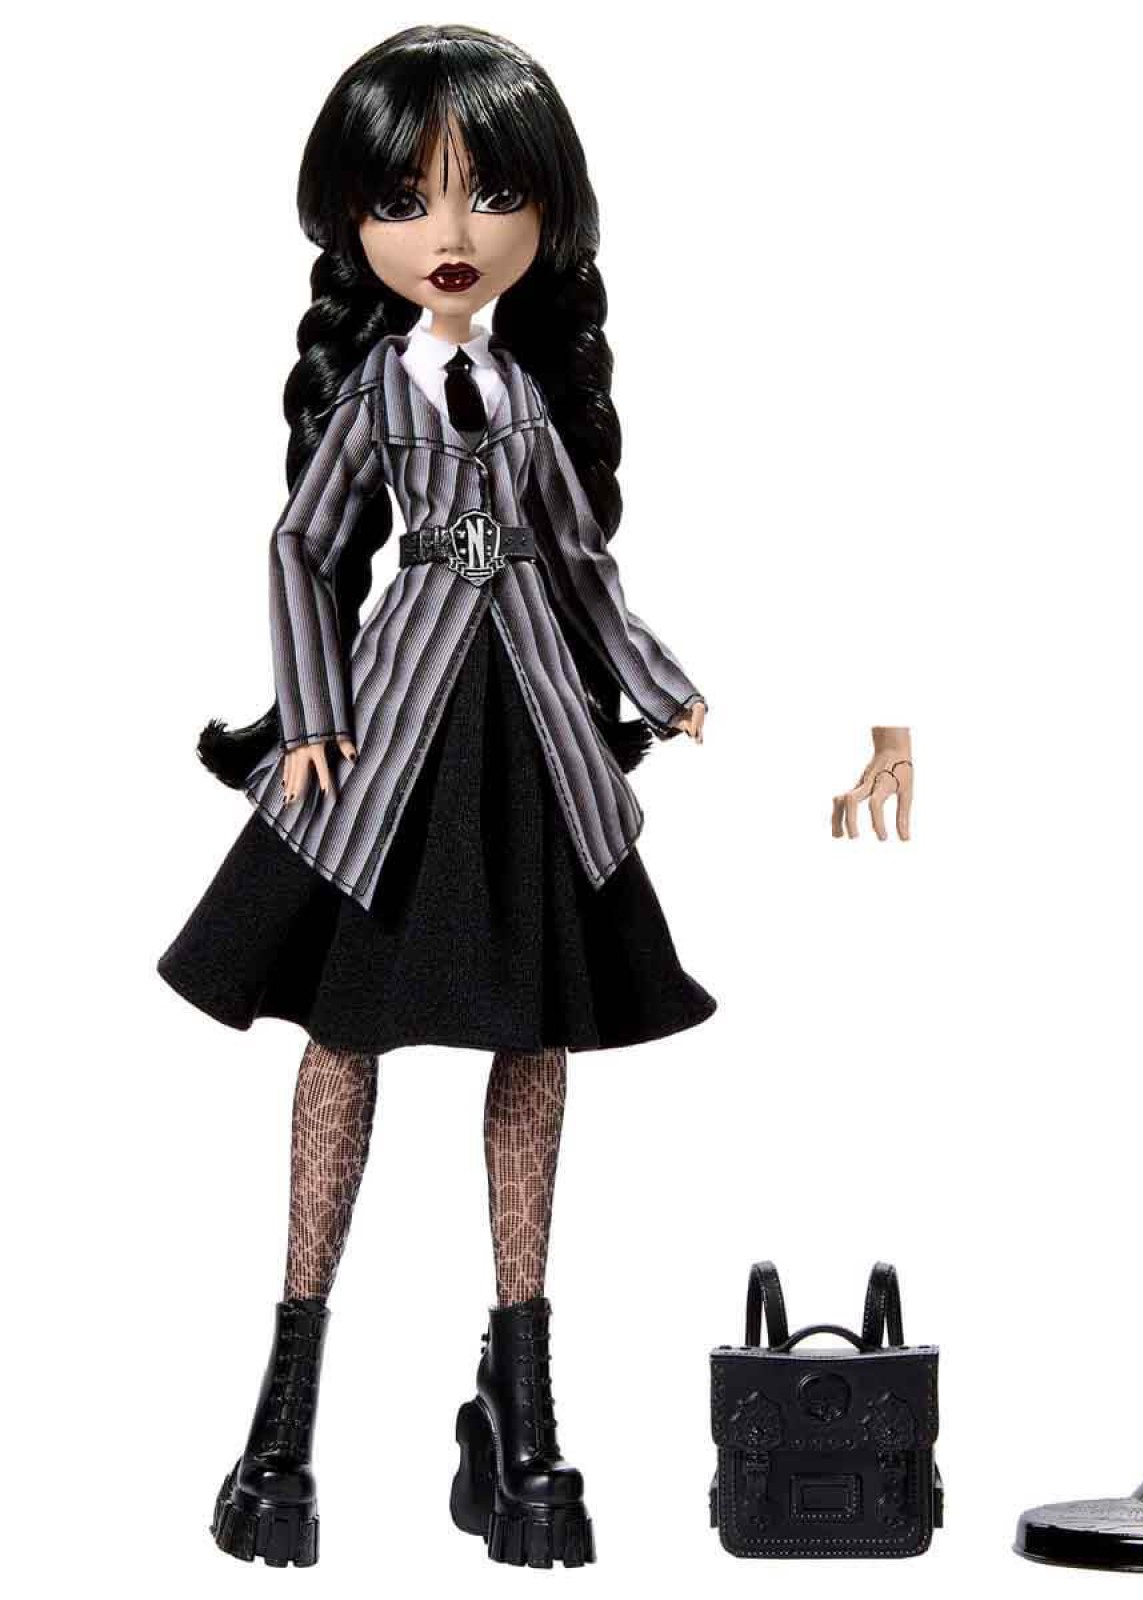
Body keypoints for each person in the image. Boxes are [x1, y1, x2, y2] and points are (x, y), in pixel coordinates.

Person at [158, 25, 714, 1569]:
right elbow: (302, 546)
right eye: (407, 201)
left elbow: (582, 567)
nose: (451, 234)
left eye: (489, 197)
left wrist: (660, 686)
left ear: (550, 213)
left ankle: (521, 1415)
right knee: (345, 1034)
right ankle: (282, 1426)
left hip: (527, 725)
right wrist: (311, 717)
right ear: (355, 224)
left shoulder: (528, 398)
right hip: (392, 732)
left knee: (536, 1032)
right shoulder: (379, 395)